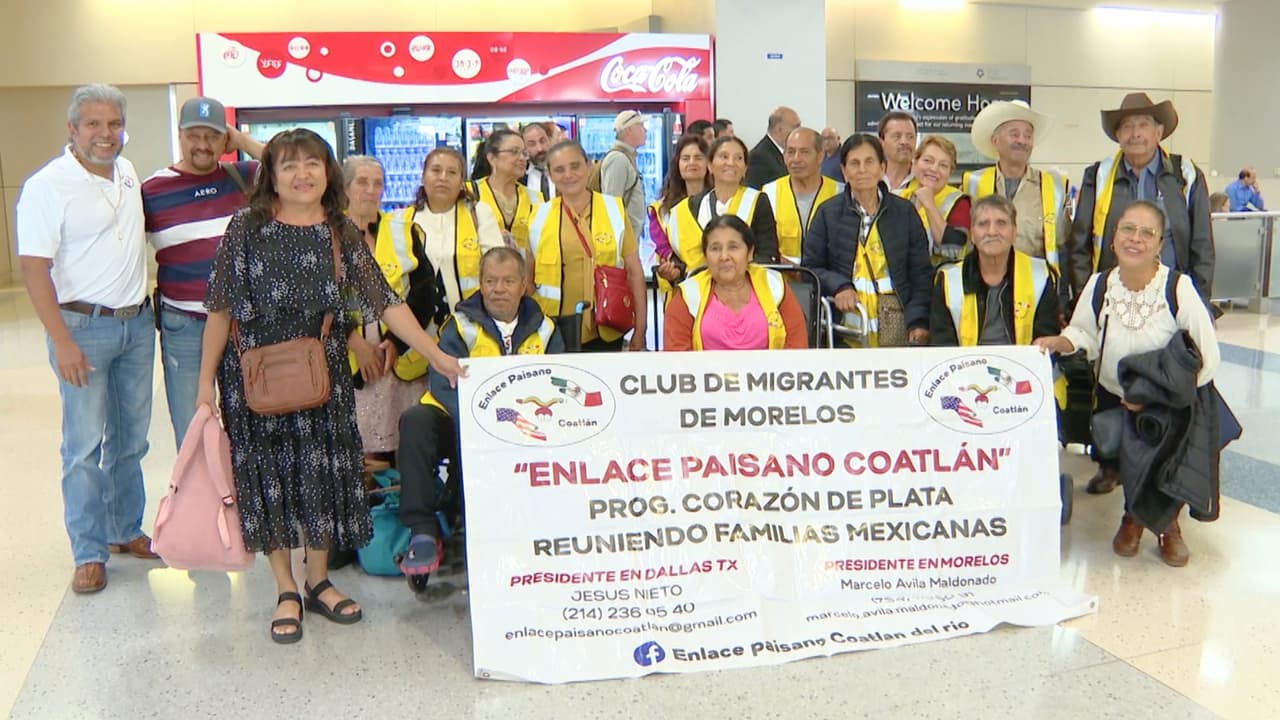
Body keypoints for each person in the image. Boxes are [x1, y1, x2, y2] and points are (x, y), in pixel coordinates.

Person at [195, 129, 464, 643]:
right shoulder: (245, 227)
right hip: (255, 377)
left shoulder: (339, 230)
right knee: (269, 479)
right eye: (290, 165)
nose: (303, 175)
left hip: (322, 376)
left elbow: (386, 302)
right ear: (270, 175)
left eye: (313, 164)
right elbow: (220, 309)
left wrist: (435, 355)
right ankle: (285, 589)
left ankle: (318, 580)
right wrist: (204, 385)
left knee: (324, 475)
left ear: (327, 172)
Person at [17, 84, 158, 594]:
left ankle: (125, 530)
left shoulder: (127, 171)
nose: (105, 134)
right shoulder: (46, 186)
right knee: (82, 446)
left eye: (113, 124)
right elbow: (34, 270)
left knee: (131, 441)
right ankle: (89, 551)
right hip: (82, 328)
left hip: (137, 325)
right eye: (93, 125)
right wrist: (62, 342)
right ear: (72, 130)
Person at [1035, 201, 1220, 567]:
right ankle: (1133, 518)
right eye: (1128, 230)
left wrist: (1159, 396)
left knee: (1165, 468)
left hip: (1167, 404)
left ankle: (1168, 527)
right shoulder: (1101, 283)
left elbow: (1208, 357)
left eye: (1147, 232)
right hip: (1114, 397)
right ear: (1114, 237)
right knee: (1130, 464)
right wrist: (1061, 342)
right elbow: (1083, 331)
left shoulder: (1178, 288)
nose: (1136, 239)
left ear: (1160, 242)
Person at [397, 247, 565, 576]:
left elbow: (558, 384)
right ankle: (422, 530)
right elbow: (443, 383)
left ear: (524, 285)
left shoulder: (545, 330)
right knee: (414, 421)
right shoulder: (459, 326)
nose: (497, 289)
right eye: (490, 281)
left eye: (507, 281)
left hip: (523, 426)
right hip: (458, 417)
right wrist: (479, 427)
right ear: (480, 283)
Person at [142, 96, 264, 448]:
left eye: (211, 136)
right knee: (194, 426)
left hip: (243, 324)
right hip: (184, 323)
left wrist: (239, 140)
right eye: (194, 135)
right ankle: (200, 502)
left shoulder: (245, 177)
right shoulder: (153, 190)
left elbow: (287, 159)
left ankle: (241, 500)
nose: (202, 145)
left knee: (249, 424)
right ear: (179, 135)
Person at [1069, 93, 1213, 307]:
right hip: (1112, 300)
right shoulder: (1098, 177)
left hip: (1172, 300)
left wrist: (1198, 304)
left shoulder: (1185, 176)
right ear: (1118, 136)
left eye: (1143, 125)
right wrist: (1088, 302)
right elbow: (1079, 246)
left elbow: (1202, 246)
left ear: (1159, 132)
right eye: (1127, 126)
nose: (1135, 133)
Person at [342, 155, 442, 461]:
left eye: (378, 183)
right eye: (362, 182)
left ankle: (398, 504)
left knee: (403, 447)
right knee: (358, 450)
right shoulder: (325, 234)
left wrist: (397, 343)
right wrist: (355, 343)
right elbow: (320, 300)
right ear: (344, 187)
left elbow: (426, 293)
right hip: (349, 359)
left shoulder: (403, 231)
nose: (371, 190)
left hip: (399, 356)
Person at [803, 134, 932, 348]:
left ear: (882, 168)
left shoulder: (904, 212)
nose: (862, 169)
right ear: (844, 171)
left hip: (897, 330)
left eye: (869, 162)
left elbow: (921, 273)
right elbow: (810, 267)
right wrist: (839, 286)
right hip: (845, 332)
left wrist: (918, 321)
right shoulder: (828, 213)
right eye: (854, 163)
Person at [528, 141, 648, 352]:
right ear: (550, 174)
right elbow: (528, 280)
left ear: (589, 165)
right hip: (552, 330)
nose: (568, 175)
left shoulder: (614, 209)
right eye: (559, 169)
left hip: (607, 327)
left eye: (575, 166)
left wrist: (641, 329)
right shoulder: (538, 216)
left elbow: (634, 273)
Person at [931, 194, 1060, 346]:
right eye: (983, 224)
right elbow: (941, 345)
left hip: (1022, 365)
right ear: (972, 234)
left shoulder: (1040, 274)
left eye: (1001, 223)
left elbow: (1046, 338)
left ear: (1014, 232)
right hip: (964, 367)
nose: (992, 232)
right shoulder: (948, 280)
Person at [664, 215, 808, 351]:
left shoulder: (775, 286)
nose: (724, 256)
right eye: (715, 249)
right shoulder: (688, 296)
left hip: (768, 376)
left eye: (733, 247)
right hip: (707, 376)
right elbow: (676, 358)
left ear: (750, 252)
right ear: (706, 256)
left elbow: (797, 346)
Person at [962, 100, 1071, 273]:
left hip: (1037, 285)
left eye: (1028, 136)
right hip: (985, 283)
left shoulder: (1053, 186)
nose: (1022, 141)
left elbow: (1065, 245)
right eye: (1014, 134)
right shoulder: (973, 183)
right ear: (995, 140)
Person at [665, 136, 780, 279]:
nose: (731, 163)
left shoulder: (758, 201)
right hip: (700, 289)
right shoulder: (690, 207)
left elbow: (767, 254)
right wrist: (673, 271)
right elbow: (680, 258)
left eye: (738, 158)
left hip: (745, 288)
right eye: (724, 156)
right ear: (710, 166)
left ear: (745, 168)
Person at [409, 148, 506, 311]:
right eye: (436, 170)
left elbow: (498, 270)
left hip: (472, 322)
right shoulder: (405, 220)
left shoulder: (479, 214)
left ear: (462, 182)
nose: (443, 178)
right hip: (417, 327)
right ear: (423, 177)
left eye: (452, 172)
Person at [762, 127, 844, 261]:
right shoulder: (769, 192)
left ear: (820, 156)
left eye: (804, 152)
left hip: (826, 277)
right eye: (791, 152)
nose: (796, 159)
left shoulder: (839, 192)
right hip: (782, 277)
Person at [469, 129, 544, 252]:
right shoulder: (470, 193)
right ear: (492, 158)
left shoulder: (535, 198)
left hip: (523, 269)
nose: (522, 158)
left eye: (524, 153)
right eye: (514, 152)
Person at [900, 135, 971, 265]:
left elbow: (953, 249)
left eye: (943, 165)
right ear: (914, 163)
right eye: (927, 160)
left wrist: (929, 204)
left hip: (938, 280)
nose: (934, 169)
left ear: (950, 172)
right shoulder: (899, 195)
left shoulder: (959, 202)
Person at [652, 134, 710, 279]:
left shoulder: (721, 201)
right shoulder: (661, 210)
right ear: (677, 165)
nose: (692, 163)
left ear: (709, 164)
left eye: (698, 157)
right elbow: (665, 250)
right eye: (685, 158)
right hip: (681, 287)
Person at [600, 110, 648, 249]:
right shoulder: (618, 159)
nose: (645, 130)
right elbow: (611, 204)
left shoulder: (626, 157)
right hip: (622, 245)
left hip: (628, 241)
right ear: (629, 130)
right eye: (641, 125)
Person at [747, 106, 800, 188]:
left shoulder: (782, 152)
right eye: (795, 127)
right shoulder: (759, 157)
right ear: (779, 129)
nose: (799, 132)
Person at [878, 111, 918, 194]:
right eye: (897, 136)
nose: (904, 142)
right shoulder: (870, 178)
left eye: (910, 137)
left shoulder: (924, 180)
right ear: (881, 142)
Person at [522, 122, 555, 199]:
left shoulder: (564, 171)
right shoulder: (519, 177)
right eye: (532, 144)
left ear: (550, 140)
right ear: (524, 149)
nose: (540, 149)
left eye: (542, 141)